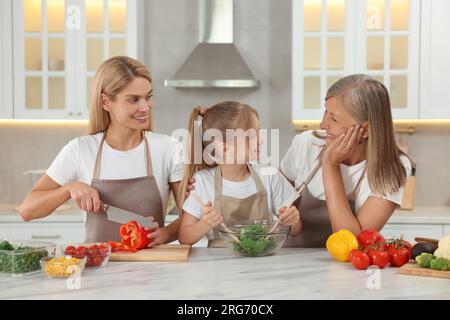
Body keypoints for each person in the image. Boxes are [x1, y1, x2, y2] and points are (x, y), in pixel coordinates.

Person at [19, 56, 184, 246]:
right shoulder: (80, 150)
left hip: (153, 269)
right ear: (106, 102)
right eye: (133, 100)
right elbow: (27, 210)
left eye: (148, 97)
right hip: (97, 269)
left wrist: (166, 234)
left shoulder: (168, 149)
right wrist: (68, 189)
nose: (145, 107)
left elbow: (192, 216)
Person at [280, 74, 414, 247]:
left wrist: (331, 165)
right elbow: (276, 198)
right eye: (325, 112)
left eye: (334, 119)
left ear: (365, 130)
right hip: (289, 262)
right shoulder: (306, 144)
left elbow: (354, 242)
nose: (323, 124)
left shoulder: (392, 168)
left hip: (347, 269)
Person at [178, 101, 301, 247]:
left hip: (264, 264)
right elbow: (184, 237)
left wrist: (293, 221)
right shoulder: (203, 182)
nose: (261, 140)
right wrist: (205, 224)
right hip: (217, 266)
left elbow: (296, 230)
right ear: (225, 148)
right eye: (252, 136)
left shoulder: (270, 176)